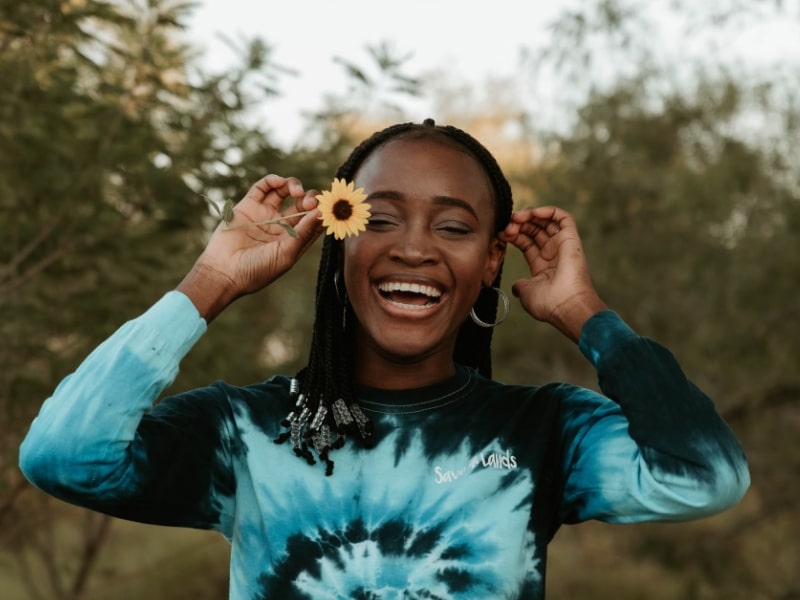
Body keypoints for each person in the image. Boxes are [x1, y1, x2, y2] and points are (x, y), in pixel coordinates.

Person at [19, 119, 750, 599]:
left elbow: (705, 477)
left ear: (492, 260)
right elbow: (63, 455)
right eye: (382, 217)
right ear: (338, 241)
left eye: (455, 226)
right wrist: (209, 285)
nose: (414, 248)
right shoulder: (249, 429)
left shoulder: (542, 430)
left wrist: (587, 316)